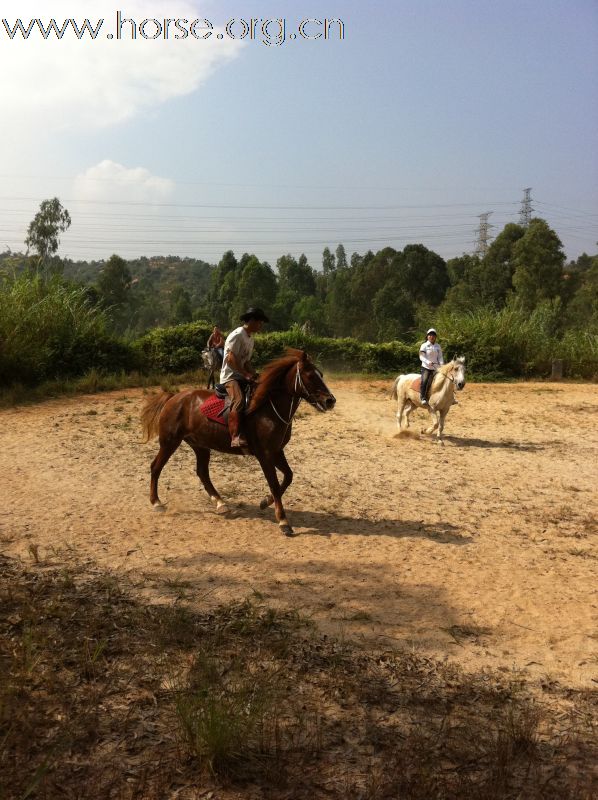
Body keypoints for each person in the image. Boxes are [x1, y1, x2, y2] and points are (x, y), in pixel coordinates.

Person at [220, 307, 269, 448]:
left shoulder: (250, 339)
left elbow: (246, 362)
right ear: (252, 320)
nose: (261, 325)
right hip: (230, 377)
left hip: (242, 375)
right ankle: (235, 436)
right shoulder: (237, 335)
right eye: (260, 322)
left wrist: (255, 374)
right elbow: (230, 359)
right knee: (239, 400)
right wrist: (246, 374)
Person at [419, 328, 444, 406]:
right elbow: (421, 357)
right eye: (430, 335)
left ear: (435, 337)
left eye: (433, 335)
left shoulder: (438, 346)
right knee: (425, 380)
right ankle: (423, 397)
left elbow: (440, 357)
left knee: (444, 380)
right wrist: (427, 362)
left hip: (435, 368)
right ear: (427, 336)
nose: (431, 336)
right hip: (426, 367)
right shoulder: (424, 345)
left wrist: (442, 365)